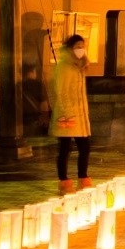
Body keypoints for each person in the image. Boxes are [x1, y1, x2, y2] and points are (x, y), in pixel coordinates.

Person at [49, 34, 92, 194]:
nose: (81, 49)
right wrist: (67, 111)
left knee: (85, 147)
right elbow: (60, 91)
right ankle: (64, 181)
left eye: (82, 46)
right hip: (66, 115)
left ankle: (83, 178)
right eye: (77, 46)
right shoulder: (64, 66)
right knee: (65, 148)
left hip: (80, 115)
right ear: (70, 48)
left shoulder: (79, 66)